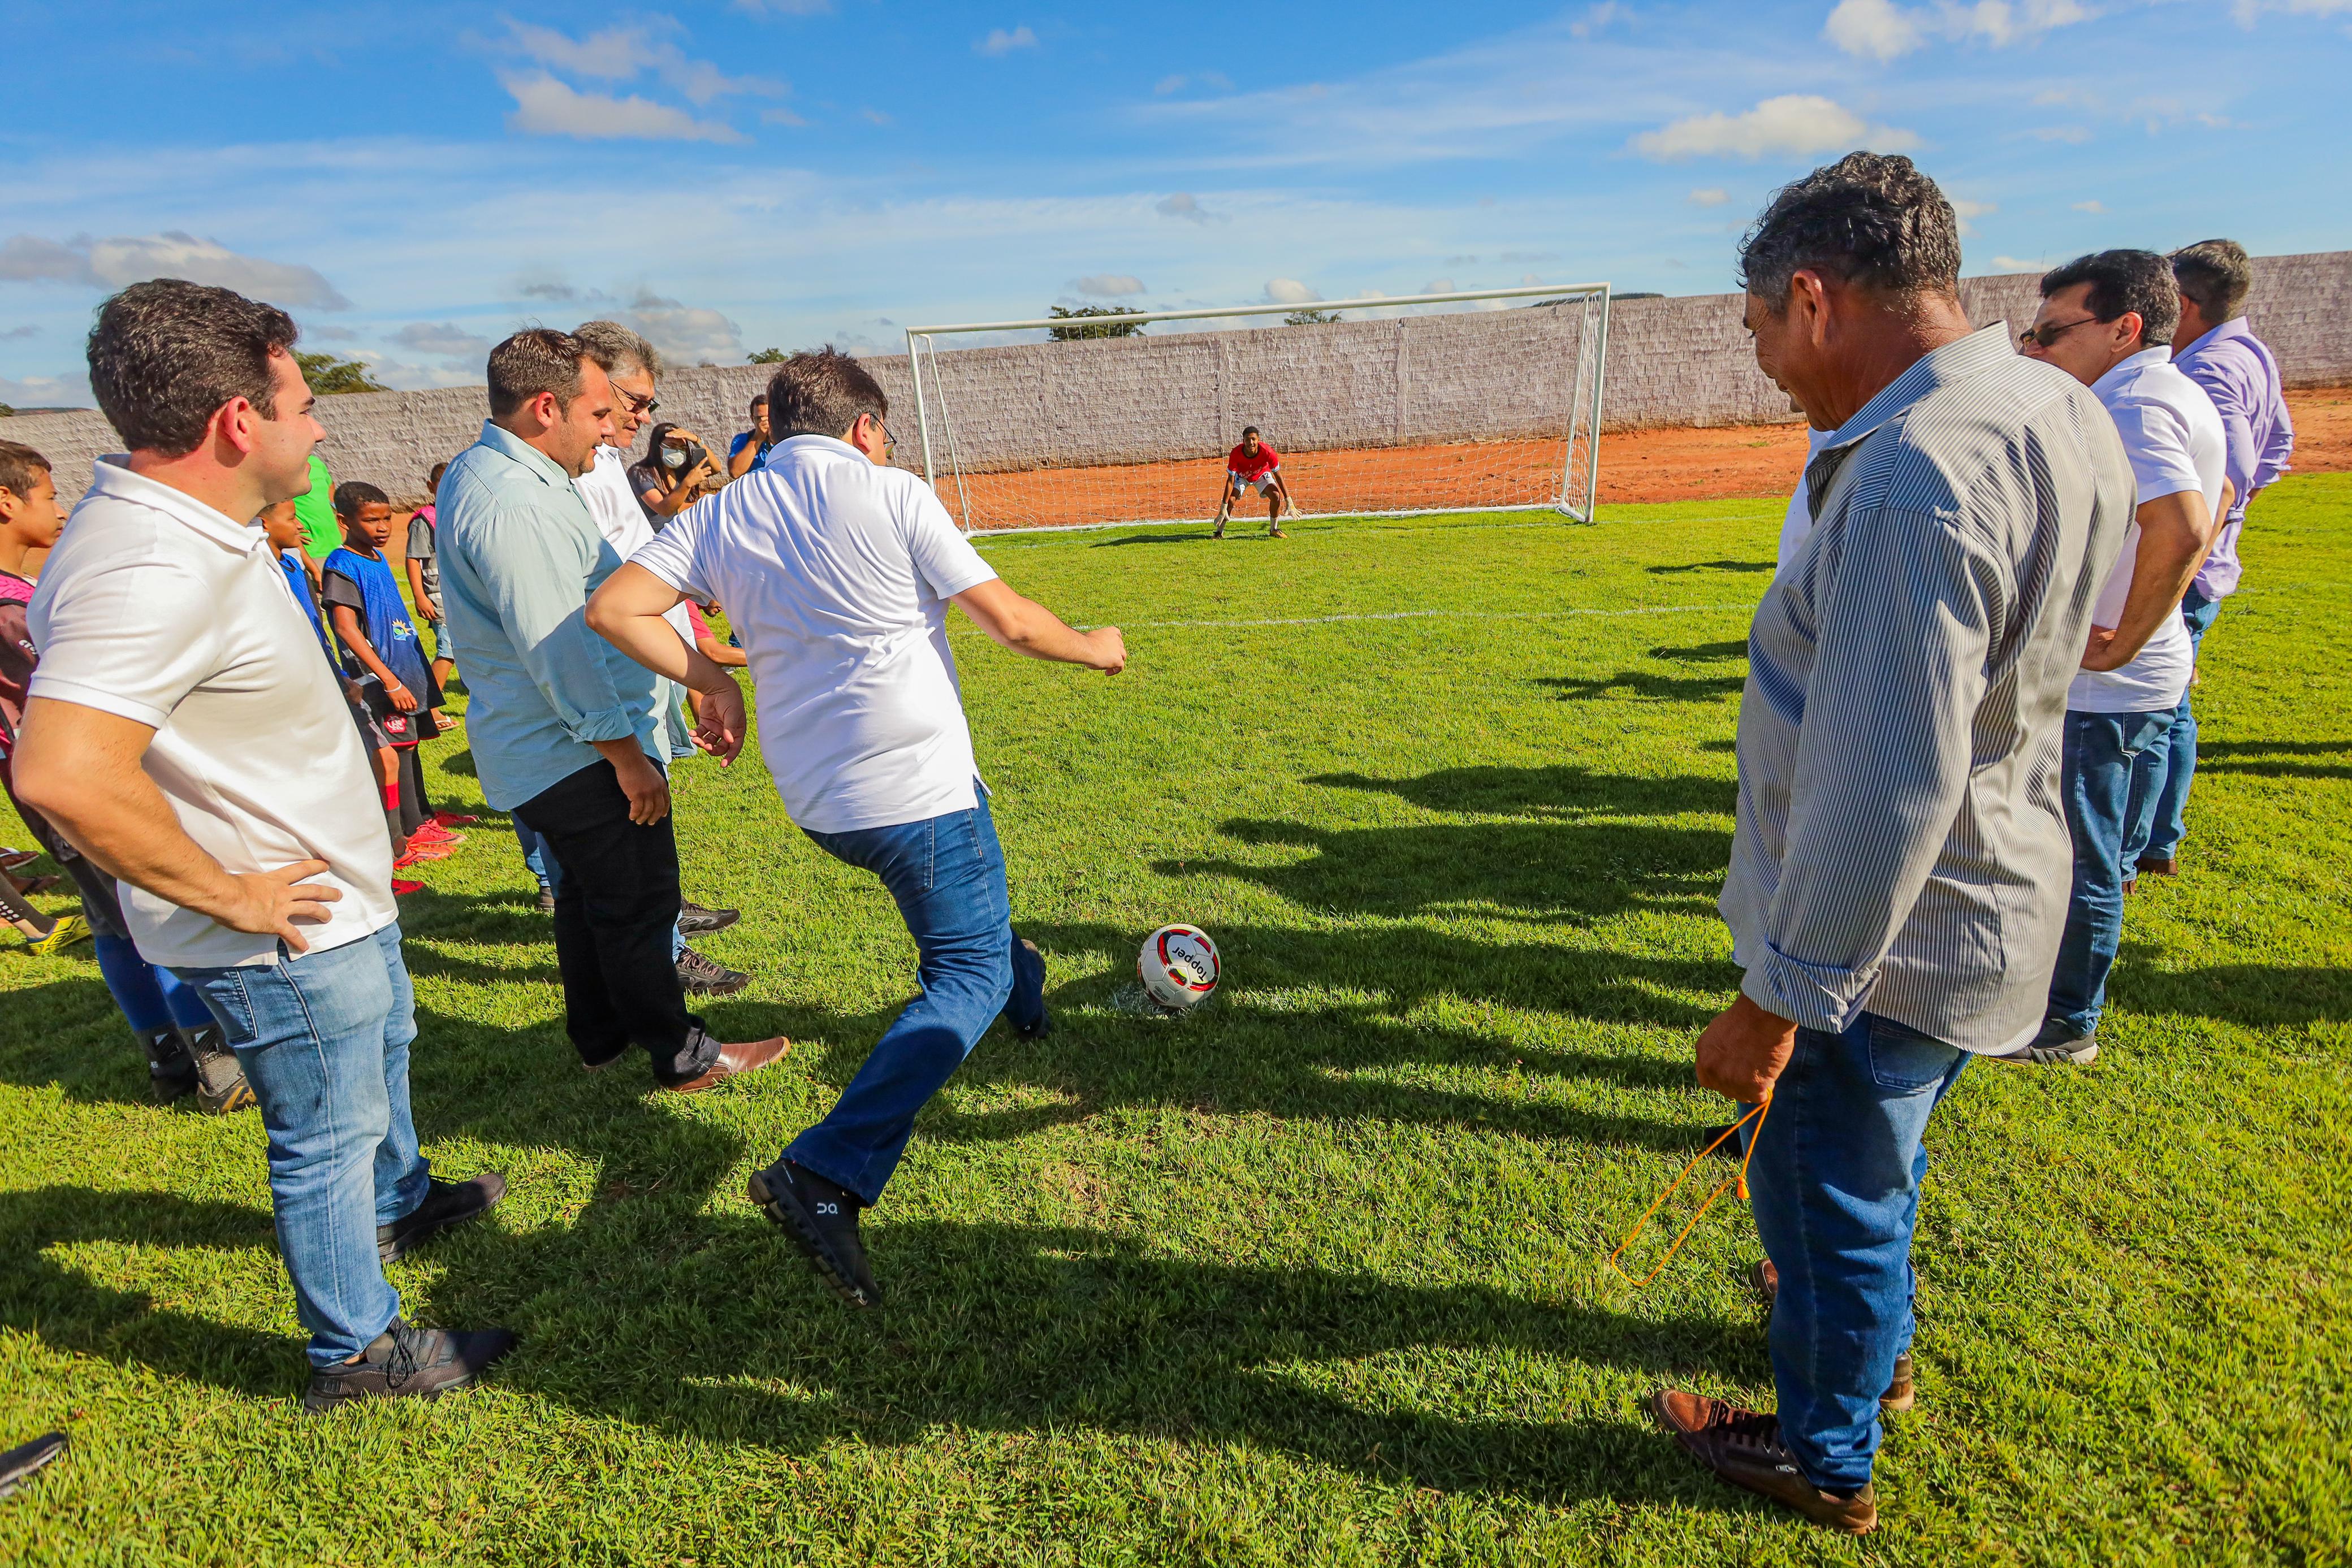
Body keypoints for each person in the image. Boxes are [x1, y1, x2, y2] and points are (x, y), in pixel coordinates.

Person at [1648, 154, 2133, 1534]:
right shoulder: (2046, 400)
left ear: (1813, 298)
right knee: (1877, 1173)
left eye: (1759, 328)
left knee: (1830, 1192)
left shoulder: (1916, 470)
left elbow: (1887, 778)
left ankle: (1823, 1454)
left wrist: (1777, 1000)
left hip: (1888, 944)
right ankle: (1875, 1357)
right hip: (1983, 897)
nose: (1763, 366)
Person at [11, 279, 512, 1410]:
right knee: (326, 1127)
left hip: (335, 898)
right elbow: (60, 770)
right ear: (239, 420)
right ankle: (355, 1348)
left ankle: (399, 1201)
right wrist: (231, 895)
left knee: (381, 1063)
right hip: (280, 930)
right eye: (303, 403)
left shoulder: (201, 530)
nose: (321, 428)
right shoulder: (146, 562)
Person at [588, 346, 1126, 1309]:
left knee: (974, 919)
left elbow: (615, 608)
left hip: (818, 800)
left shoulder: (723, 511)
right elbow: (1010, 621)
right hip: (915, 789)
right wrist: (1096, 647)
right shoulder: (893, 492)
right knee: (965, 968)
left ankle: (1025, 992)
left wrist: (710, 680)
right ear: (865, 427)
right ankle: (825, 1169)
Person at [437, 328, 785, 1092]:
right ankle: (682, 1052)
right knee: (638, 899)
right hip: (574, 752)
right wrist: (626, 756)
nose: (610, 431)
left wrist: (703, 678)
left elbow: (602, 592)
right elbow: (559, 646)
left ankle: (599, 1035)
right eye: (599, 414)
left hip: (552, 747)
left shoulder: (507, 474)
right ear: (545, 407)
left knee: (586, 896)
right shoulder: (515, 503)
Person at [2013, 251, 2225, 1065]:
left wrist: (2126, 637)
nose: (2035, 348)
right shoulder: (2172, 390)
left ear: (2123, 328)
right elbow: (2223, 497)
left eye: (2053, 332)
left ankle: (2066, 1023)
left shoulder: (2130, 402)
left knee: (2080, 857)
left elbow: (2186, 523)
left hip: (2104, 687)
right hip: (2132, 676)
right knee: (2087, 848)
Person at [1, 438, 250, 1096]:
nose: (60, 510)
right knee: (155, 904)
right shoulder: (11, 610)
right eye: (49, 495)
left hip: (48, 788)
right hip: (85, 779)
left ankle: (167, 1057)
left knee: (111, 918)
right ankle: (216, 1061)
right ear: (6, 501)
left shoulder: (20, 594)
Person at [565, 320, 750, 996]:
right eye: (634, 401)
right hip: (612, 675)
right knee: (626, 816)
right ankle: (662, 951)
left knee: (650, 805)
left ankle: (665, 913)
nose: (643, 418)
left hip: (646, 666)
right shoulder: (569, 475)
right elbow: (591, 603)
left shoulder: (604, 462)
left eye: (648, 403)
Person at [2125, 240, 2296, 883]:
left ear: (2185, 303)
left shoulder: (2207, 369)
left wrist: (2198, 542)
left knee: (2151, 710)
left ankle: (2133, 848)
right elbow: (2277, 448)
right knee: (2171, 706)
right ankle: (2156, 841)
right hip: (2206, 564)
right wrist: (2229, 527)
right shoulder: (2249, 353)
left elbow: (2230, 475)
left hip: (2182, 569)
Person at [404, 462, 458, 699]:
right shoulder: (425, 520)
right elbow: (413, 559)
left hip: (459, 594)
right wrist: (420, 597)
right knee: (448, 651)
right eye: (443, 485)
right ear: (431, 487)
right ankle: (430, 703)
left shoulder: (458, 514)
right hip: (440, 596)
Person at [628, 421, 723, 527]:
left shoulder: (681, 470)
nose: (677, 452)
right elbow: (665, 510)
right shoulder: (640, 474)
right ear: (657, 447)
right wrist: (688, 484)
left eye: (682, 448)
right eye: (672, 446)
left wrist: (697, 440)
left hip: (683, 530)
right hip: (657, 535)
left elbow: (716, 468)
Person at [1212, 426, 1289, 539]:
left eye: (1254, 439)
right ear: (1243, 441)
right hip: (1242, 476)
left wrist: (1288, 500)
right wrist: (1224, 505)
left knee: (1276, 496)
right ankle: (1219, 533)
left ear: (1259, 439)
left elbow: (1279, 477)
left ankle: (1274, 529)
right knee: (1231, 500)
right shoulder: (1236, 453)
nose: (1251, 443)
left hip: (1261, 474)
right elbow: (1230, 481)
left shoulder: (1268, 452)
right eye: (1247, 440)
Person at [290, 451, 338, 568]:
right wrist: (288, 527)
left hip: (336, 546)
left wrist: (335, 511)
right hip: (310, 550)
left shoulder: (316, 462)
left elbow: (330, 485)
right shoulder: (279, 466)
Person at [727, 393, 774, 479]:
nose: (764, 422)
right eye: (759, 418)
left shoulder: (783, 439)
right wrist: (758, 438)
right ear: (753, 419)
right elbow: (735, 472)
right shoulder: (742, 440)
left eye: (768, 417)